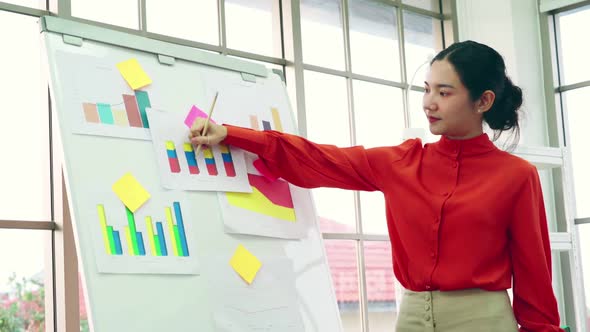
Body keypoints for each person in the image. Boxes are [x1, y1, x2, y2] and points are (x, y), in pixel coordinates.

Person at [189, 40, 563, 331]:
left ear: (483, 101)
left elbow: (534, 276)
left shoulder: (516, 176)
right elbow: (318, 159)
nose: (429, 103)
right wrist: (231, 135)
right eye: (427, 89)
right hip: (412, 319)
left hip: (484, 322)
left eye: (444, 93)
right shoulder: (400, 162)